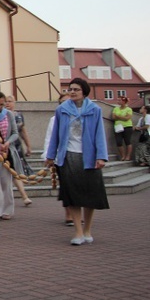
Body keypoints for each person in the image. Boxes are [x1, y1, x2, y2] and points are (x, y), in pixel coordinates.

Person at [45, 77, 109, 246]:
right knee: (72, 195)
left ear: (84, 92)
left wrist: (101, 156)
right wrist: (51, 156)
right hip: (68, 156)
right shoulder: (62, 110)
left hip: (89, 157)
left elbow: (99, 134)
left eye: (76, 89)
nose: (72, 92)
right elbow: (55, 135)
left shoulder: (94, 110)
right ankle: (78, 232)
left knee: (90, 195)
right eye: (70, 89)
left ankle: (87, 229)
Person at [0, 91, 25, 221]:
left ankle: (8, 209)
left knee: (6, 182)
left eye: (1, 104)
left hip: (5, 153)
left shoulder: (9, 115)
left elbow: (15, 132)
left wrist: (8, 142)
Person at [43, 92, 71, 225]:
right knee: (66, 186)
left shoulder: (79, 116)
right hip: (62, 157)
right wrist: (48, 156)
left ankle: (78, 210)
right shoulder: (54, 119)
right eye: (61, 103)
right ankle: (69, 214)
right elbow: (50, 138)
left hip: (78, 156)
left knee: (78, 186)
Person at [5, 96, 33, 178]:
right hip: (5, 145)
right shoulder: (2, 115)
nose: (7, 103)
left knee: (19, 168)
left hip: (17, 145)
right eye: (6, 101)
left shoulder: (19, 115)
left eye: (10, 101)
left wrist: (28, 146)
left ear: (14, 103)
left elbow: (23, 132)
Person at [112, 96, 134, 161]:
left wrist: (118, 116)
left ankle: (128, 156)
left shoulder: (129, 109)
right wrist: (122, 117)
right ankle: (123, 156)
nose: (118, 101)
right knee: (119, 142)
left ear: (124, 101)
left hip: (127, 126)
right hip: (118, 126)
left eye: (119, 100)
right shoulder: (116, 108)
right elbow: (113, 117)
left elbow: (127, 118)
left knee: (127, 141)